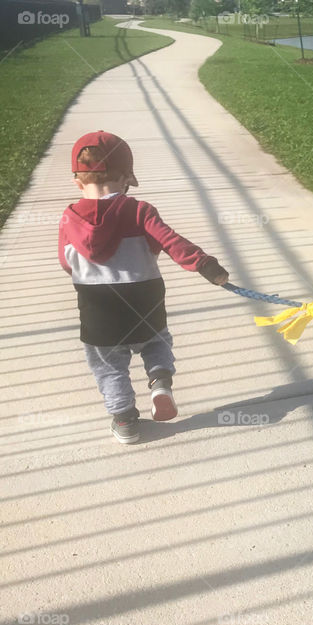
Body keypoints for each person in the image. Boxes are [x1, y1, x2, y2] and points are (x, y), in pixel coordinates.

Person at [59, 130, 229, 444]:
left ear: (78, 182)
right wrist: (206, 265)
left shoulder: (68, 219)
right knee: (155, 341)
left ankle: (125, 420)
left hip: (98, 311)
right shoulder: (140, 211)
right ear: (126, 179)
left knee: (109, 365)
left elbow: (66, 263)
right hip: (144, 301)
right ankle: (160, 381)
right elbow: (172, 242)